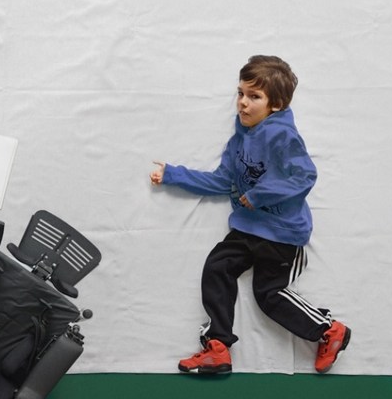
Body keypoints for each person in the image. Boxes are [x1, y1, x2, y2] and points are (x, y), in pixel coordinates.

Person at [150, 55, 350, 374]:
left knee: (268, 295)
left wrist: (259, 195)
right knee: (217, 266)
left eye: (254, 96)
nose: (243, 103)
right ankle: (217, 348)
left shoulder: (282, 135)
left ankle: (329, 331)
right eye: (240, 93)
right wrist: (174, 175)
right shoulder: (239, 139)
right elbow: (222, 181)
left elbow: (305, 176)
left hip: (283, 233)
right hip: (247, 229)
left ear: (276, 105)